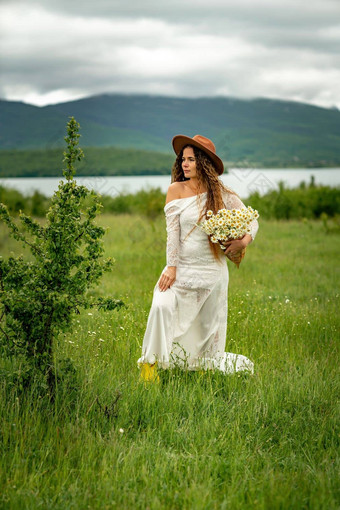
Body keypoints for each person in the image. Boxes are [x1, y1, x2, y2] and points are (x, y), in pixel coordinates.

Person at [138, 134, 259, 382]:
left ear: (203, 163)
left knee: (207, 327)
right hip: (180, 270)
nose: (185, 164)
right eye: (183, 159)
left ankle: (202, 373)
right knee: (161, 307)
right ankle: (149, 369)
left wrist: (242, 242)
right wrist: (171, 268)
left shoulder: (223, 194)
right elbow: (172, 234)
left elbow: (252, 221)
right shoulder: (175, 190)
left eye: (191, 159)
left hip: (212, 273)